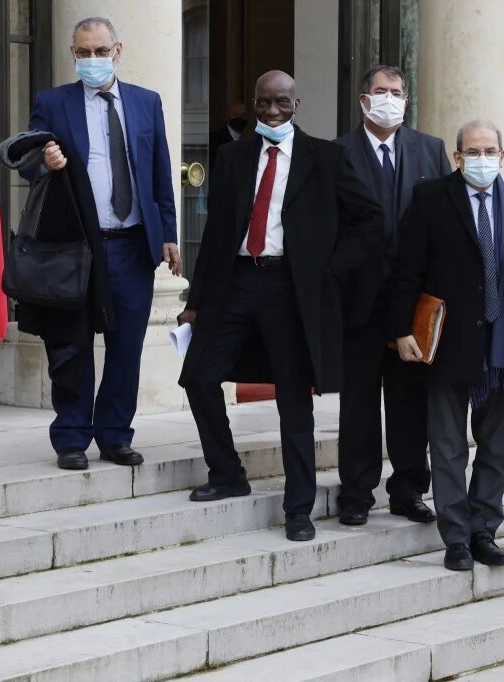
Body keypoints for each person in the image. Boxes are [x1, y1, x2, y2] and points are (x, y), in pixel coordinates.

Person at [178, 70, 383, 542]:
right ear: (253, 105)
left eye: (281, 103)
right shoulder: (232, 157)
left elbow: (369, 221)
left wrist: (330, 269)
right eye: (263, 103)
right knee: (199, 376)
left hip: (291, 292)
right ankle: (227, 472)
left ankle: (299, 509)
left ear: (298, 104)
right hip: (236, 283)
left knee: (293, 401)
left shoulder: (327, 157)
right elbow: (215, 236)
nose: (272, 112)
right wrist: (196, 302)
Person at [393, 120, 504, 571]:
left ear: (503, 156)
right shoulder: (431, 200)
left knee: (496, 447)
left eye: (490, 151)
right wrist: (403, 329)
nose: (482, 159)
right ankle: (456, 538)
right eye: (472, 151)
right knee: (447, 446)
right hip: (448, 345)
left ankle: (483, 529)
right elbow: (408, 270)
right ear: (457, 157)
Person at [31, 16, 180, 471]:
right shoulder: (52, 103)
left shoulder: (145, 102)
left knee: (126, 345)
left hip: (132, 245)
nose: (91, 60)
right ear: (72, 55)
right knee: (72, 344)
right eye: (82, 53)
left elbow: (159, 171)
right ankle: (71, 437)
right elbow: (27, 162)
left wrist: (169, 233)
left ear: (118, 51)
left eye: (99, 51)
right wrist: (44, 158)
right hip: (76, 247)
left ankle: (115, 435)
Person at [334, 65, 452, 527]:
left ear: (407, 98)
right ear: (364, 99)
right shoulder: (336, 152)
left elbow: (443, 224)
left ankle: (407, 489)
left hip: (413, 304)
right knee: (359, 402)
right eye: (380, 91)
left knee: (409, 401)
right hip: (359, 305)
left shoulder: (431, 150)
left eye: (397, 92)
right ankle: (357, 493)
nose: (389, 98)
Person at [209, 102, 248, 169]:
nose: (239, 118)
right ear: (227, 117)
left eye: (243, 115)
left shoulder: (249, 141)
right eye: (235, 115)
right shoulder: (214, 139)